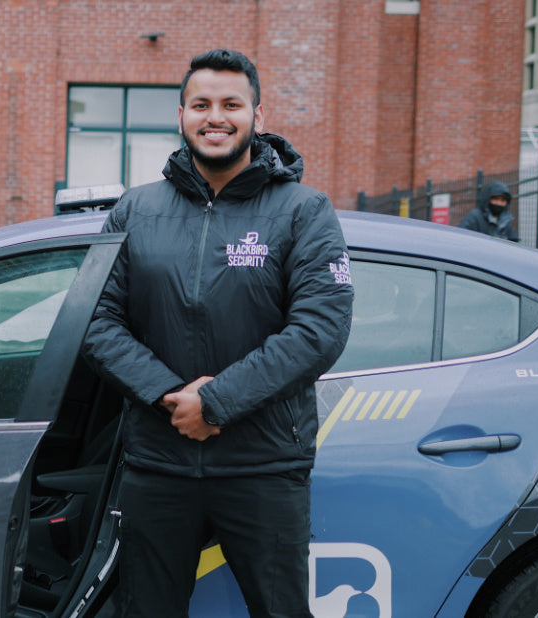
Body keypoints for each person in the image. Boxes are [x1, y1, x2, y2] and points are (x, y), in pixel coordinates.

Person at [81, 49, 354, 617]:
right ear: (181, 115)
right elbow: (96, 321)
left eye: (232, 104)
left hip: (264, 466)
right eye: (201, 104)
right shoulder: (135, 211)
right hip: (158, 463)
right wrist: (170, 397)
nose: (216, 117)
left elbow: (320, 329)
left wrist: (217, 402)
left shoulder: (304, 211)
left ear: (258, 115)